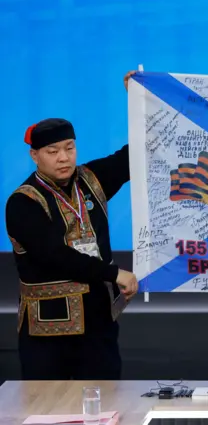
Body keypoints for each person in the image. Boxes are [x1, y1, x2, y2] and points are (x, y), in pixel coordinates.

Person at [5, 70, 139, 380]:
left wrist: (139, 101)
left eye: (69, 148)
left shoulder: (91, 179)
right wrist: (114, 273)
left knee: (106, 399)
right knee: (49, 403)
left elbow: (135, 154)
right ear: (35, 156)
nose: (63, 158)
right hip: (49, 332)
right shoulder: (23, 201)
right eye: (52, 152)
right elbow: (56, 256)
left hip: (99, 323)